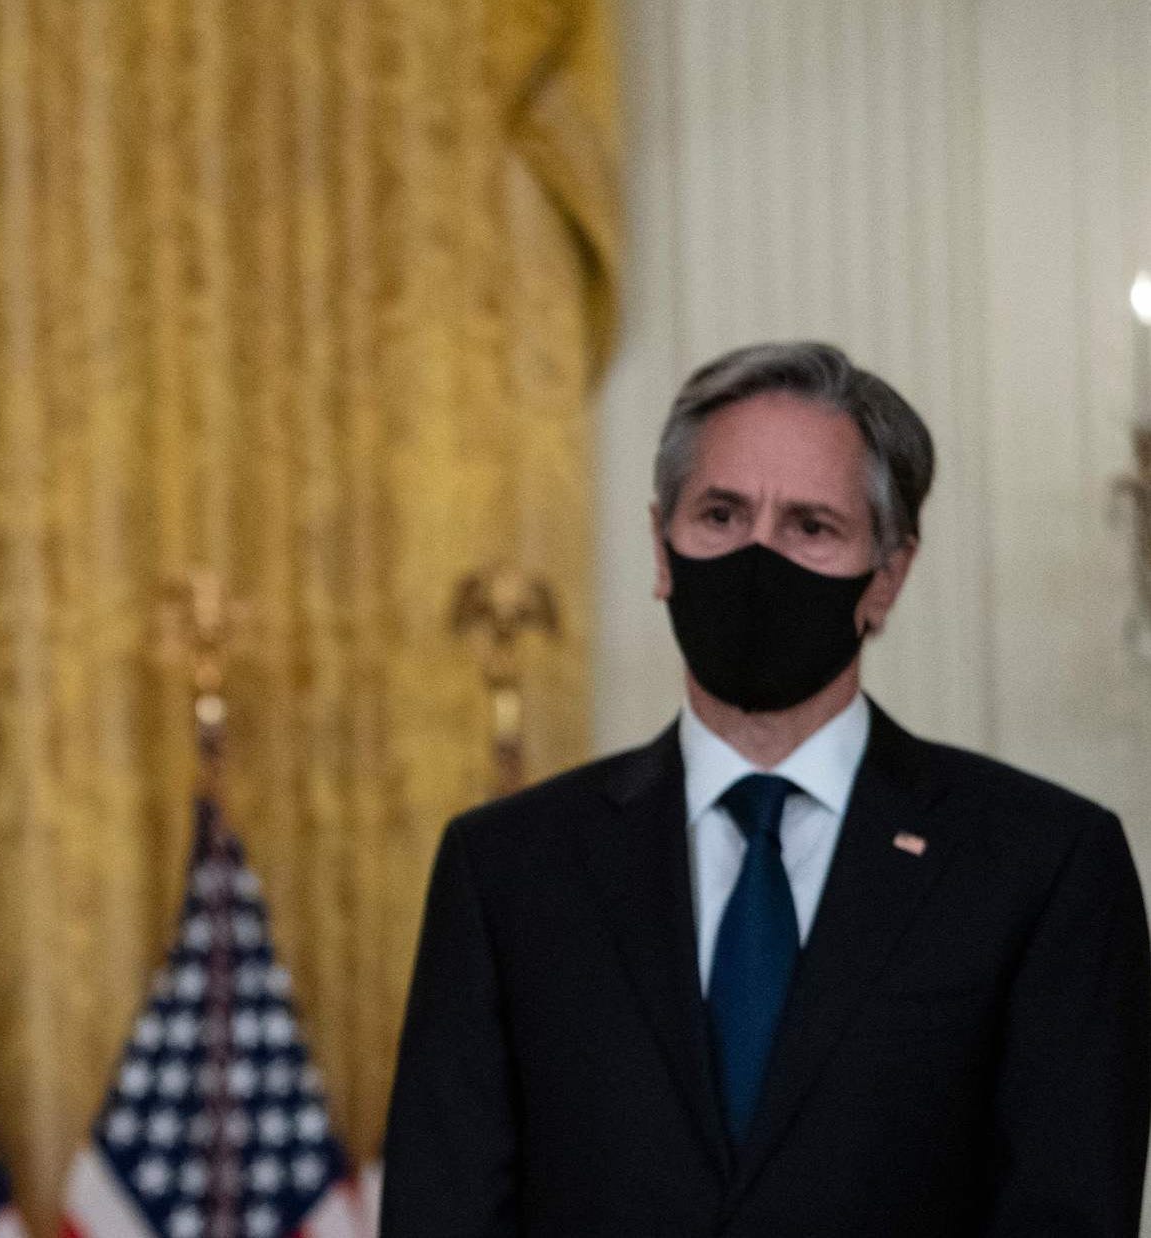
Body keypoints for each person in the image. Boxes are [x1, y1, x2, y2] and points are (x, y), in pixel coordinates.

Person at [381, 341, 1151, 1235]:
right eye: (721, 515)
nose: (758, 556)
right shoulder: (508, 870)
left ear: (888, 576)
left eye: (810, 527)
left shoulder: (1043, 867)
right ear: (662, 551)